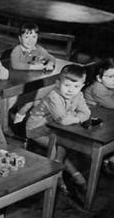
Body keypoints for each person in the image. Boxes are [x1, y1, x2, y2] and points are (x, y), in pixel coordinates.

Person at [26, 64, 90, 193]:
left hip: (55, 130)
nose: (71, 90)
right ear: (57, 83)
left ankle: (67, 176)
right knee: (61, 145)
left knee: (61, 147)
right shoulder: (53, 96)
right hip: (37, 129)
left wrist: (73, 117)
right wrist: (76, 117)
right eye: (67, 85)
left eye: (76, 86)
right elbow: (63, 120)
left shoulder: (78, 95)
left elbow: (87, 113)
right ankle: (66, 177)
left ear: (82, 86)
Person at [85, 58, 114, 174]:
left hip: (103, 114)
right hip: (89, 120)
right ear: (99, 78)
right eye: (110, 77)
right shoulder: (98, 88)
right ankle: (107, 160)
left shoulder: (109, 86)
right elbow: (111, 105)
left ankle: (109, 159)